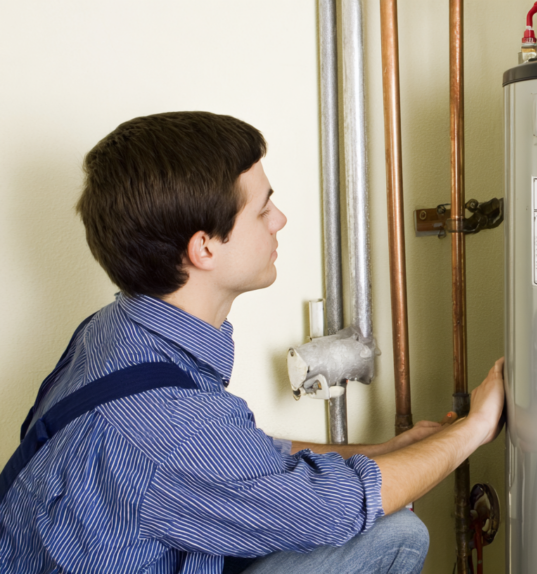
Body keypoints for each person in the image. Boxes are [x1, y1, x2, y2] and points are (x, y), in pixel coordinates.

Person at [0, 111, 506, 574]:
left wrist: (385, 448)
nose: (280, 219)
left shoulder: (118, 329)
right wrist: (474, 430)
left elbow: (238, 460)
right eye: (262, 210)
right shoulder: (168, 424)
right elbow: (339, 506)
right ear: (204, 248)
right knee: (394, 535)